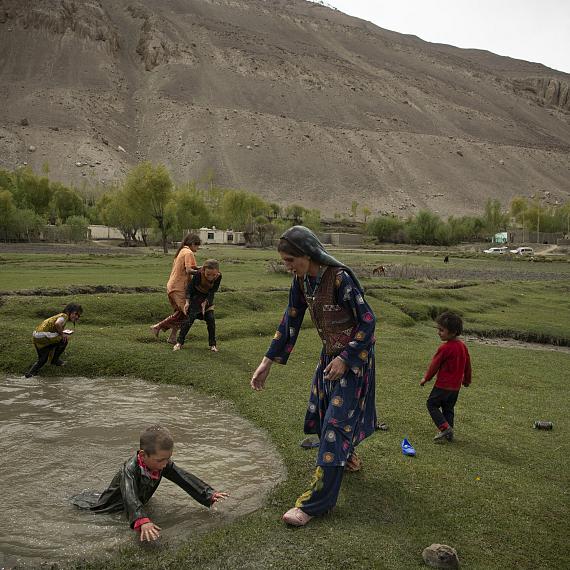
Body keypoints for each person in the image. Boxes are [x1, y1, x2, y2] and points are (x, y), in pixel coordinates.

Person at [250, 226, 377, 527]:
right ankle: (349, 457)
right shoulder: (302, 282)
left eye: (290, 260)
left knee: (334, 423)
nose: (288, 266)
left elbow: (368, 323)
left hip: (353, 362)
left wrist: (346, 359)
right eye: (285, 261)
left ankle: (314, 504)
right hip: (328, 358)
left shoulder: (341, 279)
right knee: (324, 416)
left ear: (307, 255)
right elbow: (289, 320)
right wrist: (266, 362)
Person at [71, 424, 228, 542]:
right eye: (161, 460)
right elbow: (130, 496)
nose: (165, 464)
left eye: (168, 458)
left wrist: (207, 493)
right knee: (96, 511)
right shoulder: (129, 470)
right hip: (110, 507)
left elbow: (184, 478)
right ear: (143, 454)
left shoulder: (161, 464)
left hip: (134, 504)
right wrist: (141, 519)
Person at [420, 311, 472, 443]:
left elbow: (434, 365)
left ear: (453, 332)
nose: (438, 332)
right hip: (455, 387)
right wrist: (467, 380)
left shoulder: (445, 348)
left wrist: (426, 378)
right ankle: (449, 433)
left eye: (442, 330)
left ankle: (444, 428)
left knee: (431, 404)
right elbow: (467, 364)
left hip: (443, 385)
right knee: (448, 408)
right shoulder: (463, 346)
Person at [151, 233, 201, 344]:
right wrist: (201, 272)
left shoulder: (181, 251)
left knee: (180, 313)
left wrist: (202, 268)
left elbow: (189, 267)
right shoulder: (188, 253)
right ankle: (158, 326)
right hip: (179, 287)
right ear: (193, 244)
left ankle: (172, 337)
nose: (198, 248)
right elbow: (189, 270)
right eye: (197, 246)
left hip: (172, 286)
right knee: (187, 312)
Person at [173, 259, 222, 352]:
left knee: (211, 319)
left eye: (214, 275)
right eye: (208, 274)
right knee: (190, 319)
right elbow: (190, 289)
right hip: (195, 298)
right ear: (203, 270)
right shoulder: (198, 275)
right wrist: (187, 302)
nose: (211, 277)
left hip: (207, 299)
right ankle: (179, 342)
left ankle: (213, 345)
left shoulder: (219, 277)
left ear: (217, 272)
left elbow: (213, 291)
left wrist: (206, 301)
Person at [25, 303, 83, 378]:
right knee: (64, 339)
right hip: (44, 335)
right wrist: (62, 334)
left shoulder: (58, 316)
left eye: (78, 315)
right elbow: (57, 324)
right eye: (76, 314)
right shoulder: (64, 316)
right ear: (68, 311)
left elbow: (55, 327)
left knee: (42, 360)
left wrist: (61, 332)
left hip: (36, 336)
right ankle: (55, 360)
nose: (77, 317)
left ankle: (30, 374)